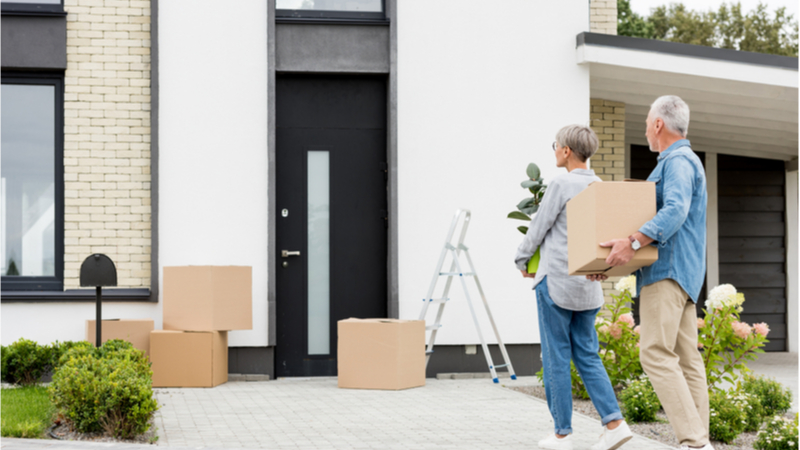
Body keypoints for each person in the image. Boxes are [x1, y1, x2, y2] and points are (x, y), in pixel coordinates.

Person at [587, 95, 712, 450]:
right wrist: (608, 263)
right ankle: (699, 441)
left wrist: (634, 241)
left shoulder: (677, 162)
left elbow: (674, 209)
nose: (645, 129)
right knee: (687, 360)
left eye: (646, 122)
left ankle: (695, 442)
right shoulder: (684, 162)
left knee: (654, 353)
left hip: (668, 275)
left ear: (659, 124)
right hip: (682, 275)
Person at [516, 124, 632, 450]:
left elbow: (539, 226)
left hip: (556, 283)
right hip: (588, 286)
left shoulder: (561, 183)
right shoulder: (599, 185)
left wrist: (522, 260)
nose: (554, 150)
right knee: (588, 356)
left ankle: (561, 435)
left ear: (566, 151)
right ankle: (614, 423)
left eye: (555, 145)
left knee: (555, 357)